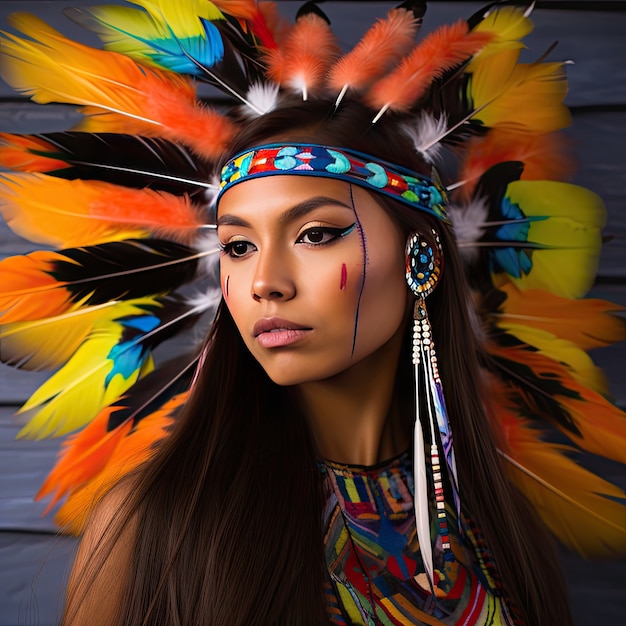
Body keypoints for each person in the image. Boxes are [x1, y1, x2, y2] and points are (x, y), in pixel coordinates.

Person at [0, 2, 624, 625]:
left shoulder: (499, 524)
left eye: (317, 235)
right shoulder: (151, 522)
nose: (265, 283)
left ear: (421, 258)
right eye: (238, 247)